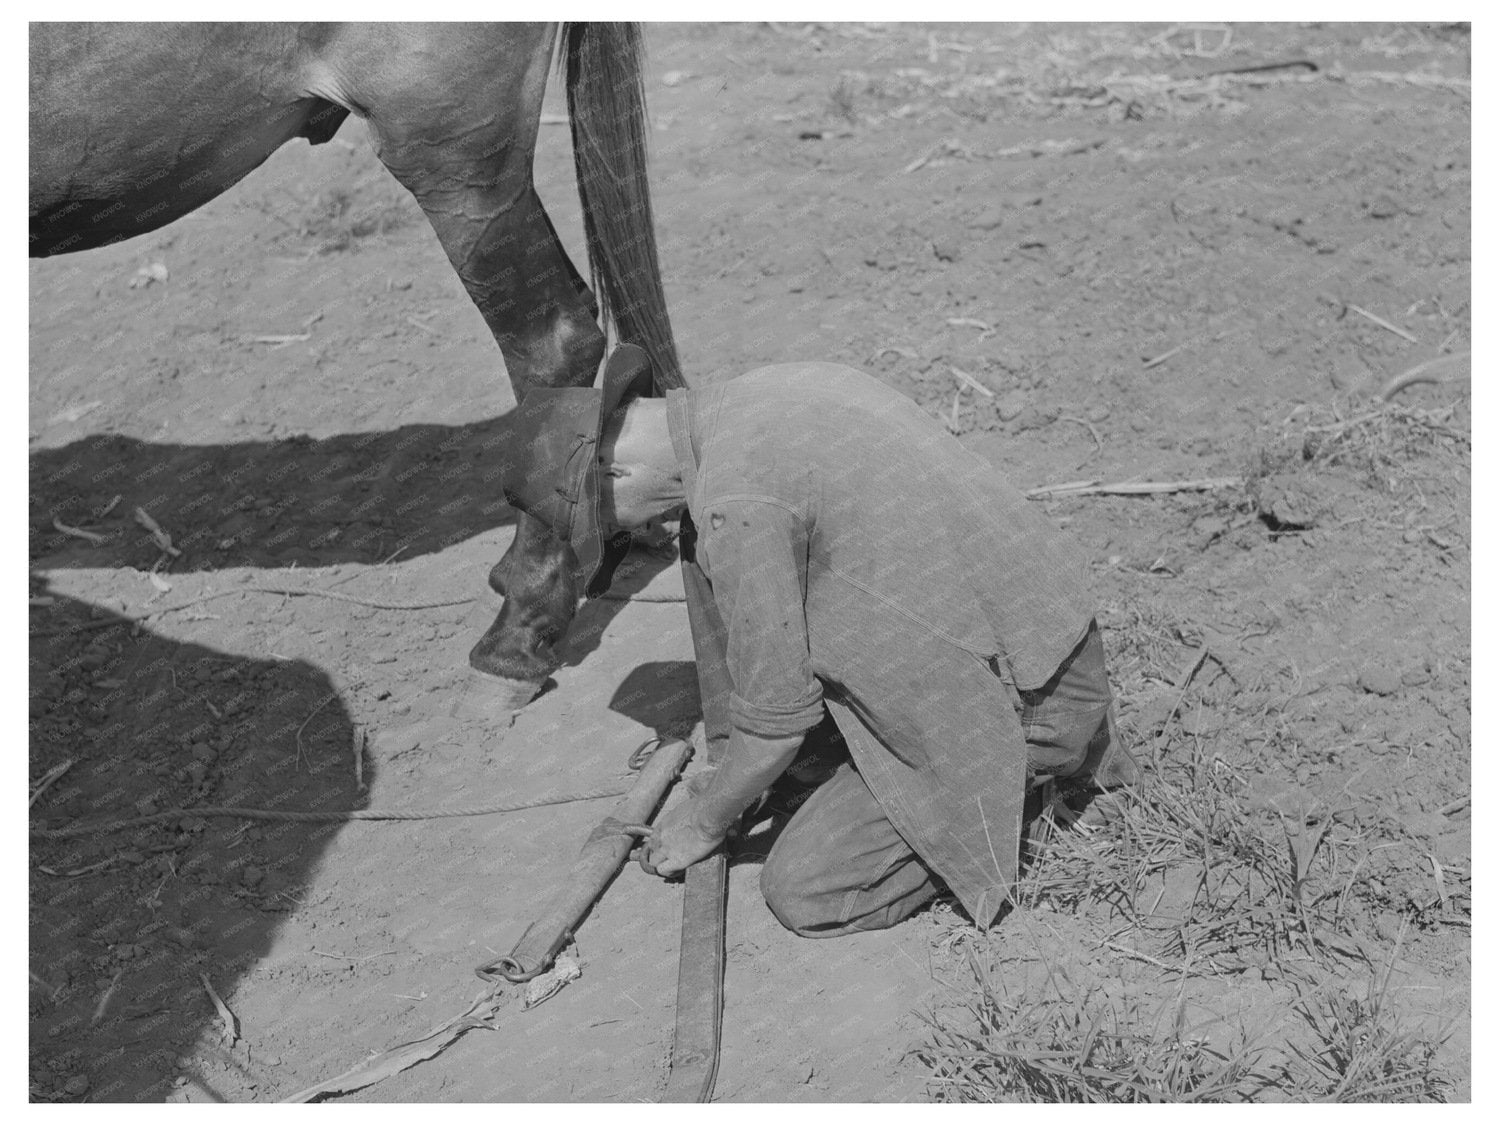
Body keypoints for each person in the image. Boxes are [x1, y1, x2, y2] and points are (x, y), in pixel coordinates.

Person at [500, 345, 1137, 937]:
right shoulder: (763, 393)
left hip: (1024, 708)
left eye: (611, 522)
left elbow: (775, 724)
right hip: (1054, 637)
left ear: (615, 470)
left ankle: (1034, 793)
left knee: (807, 888)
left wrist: (705, 821)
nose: (638, 531)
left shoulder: (737, 504)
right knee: (706, 551)